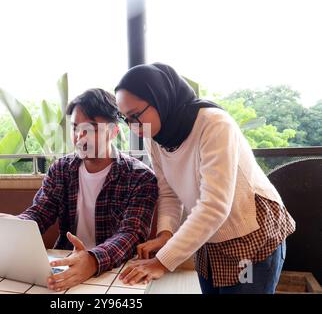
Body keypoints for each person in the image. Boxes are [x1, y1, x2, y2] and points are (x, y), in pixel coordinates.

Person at [115, 63, 295, 294]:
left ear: (160, 97)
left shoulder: (214, 124)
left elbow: (214, 206)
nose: (133, 127)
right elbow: (169, 192)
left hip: (249, 232)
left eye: (136, 116)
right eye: (126, 119)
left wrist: (162, 262)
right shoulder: (155, 136)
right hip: (209, 237)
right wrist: (165, 235)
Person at [0, 88, 158, 292]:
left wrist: (92, 260)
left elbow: (131, 234)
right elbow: (40, 213)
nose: (80, 136)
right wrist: (16, 225)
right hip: (66, 263)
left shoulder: (140, 177)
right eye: (75, 128)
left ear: (114, 132)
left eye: (92, 128)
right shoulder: (61, 169)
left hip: (116, 270)